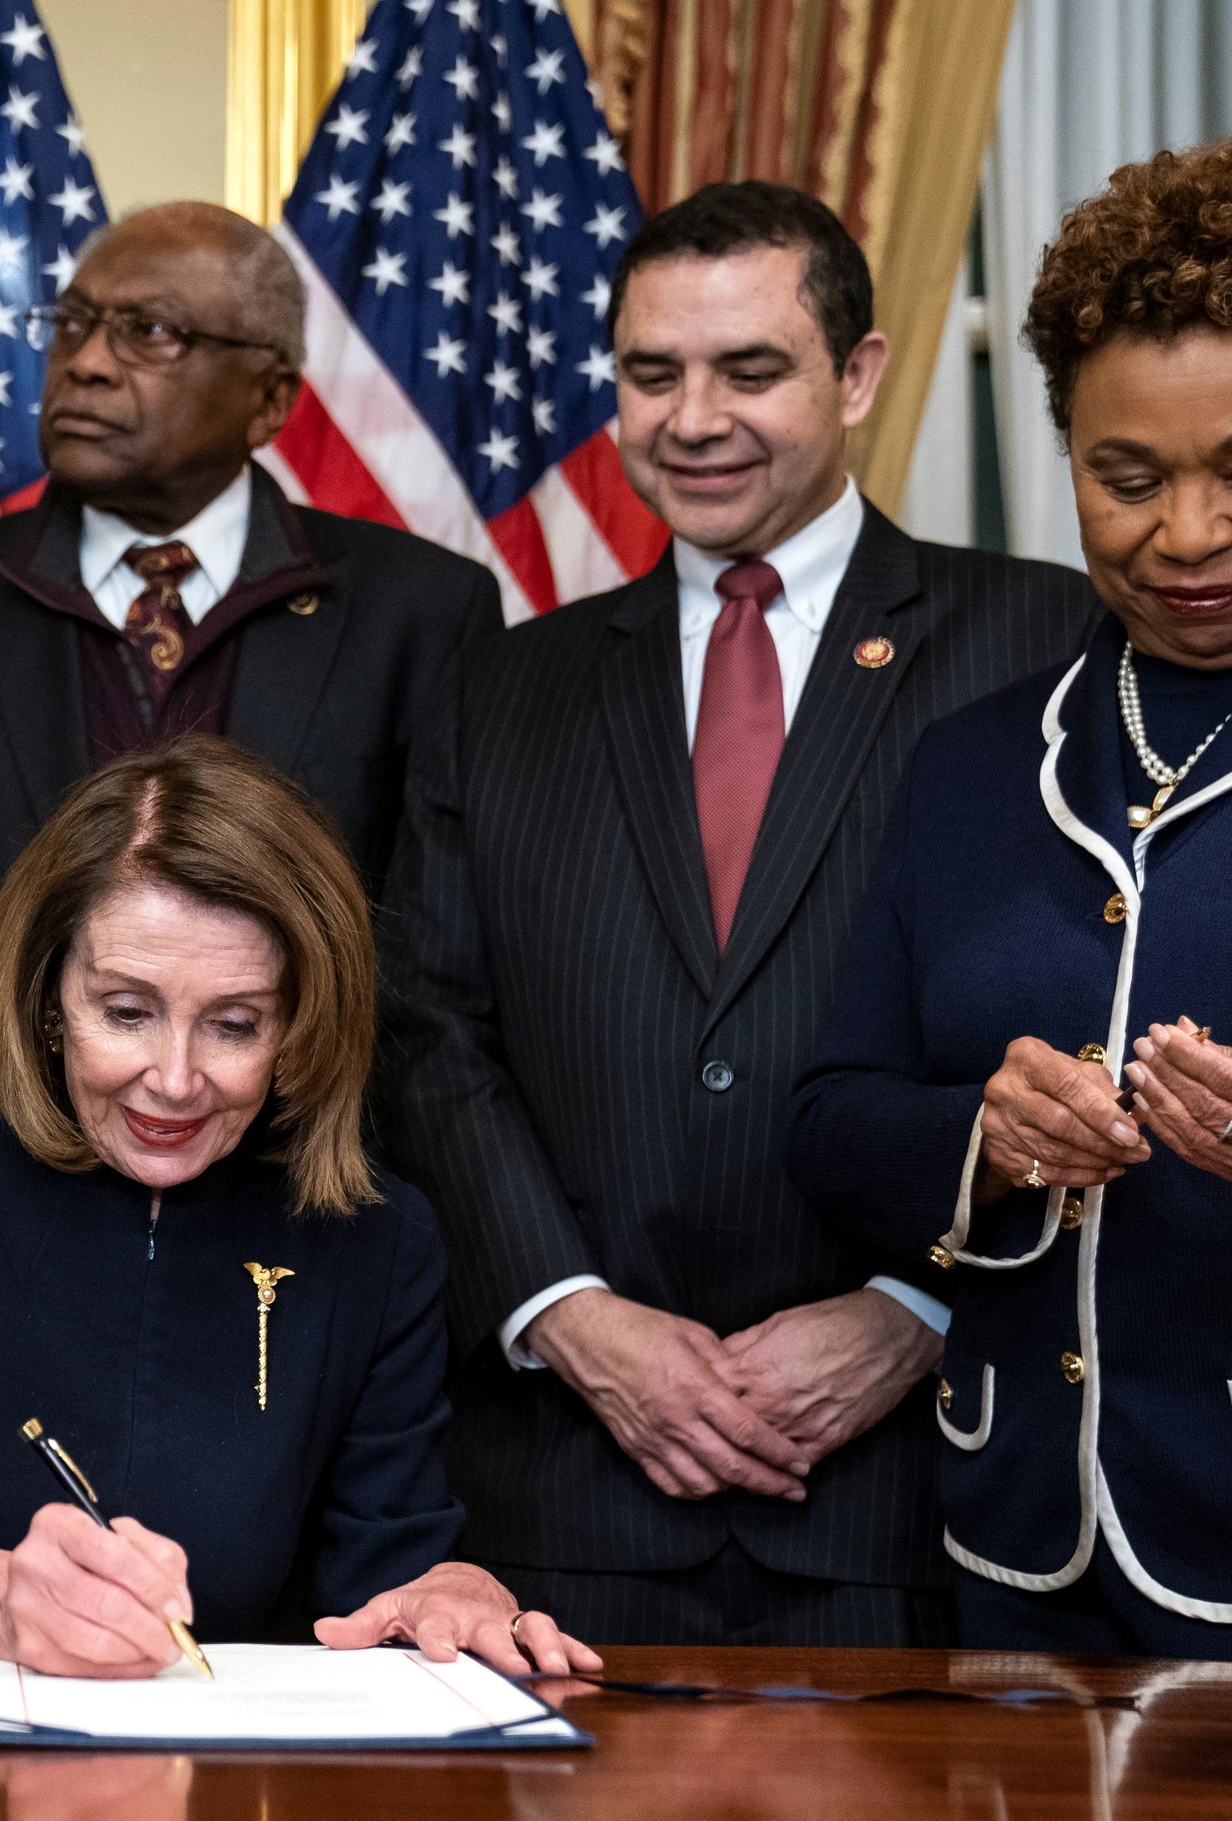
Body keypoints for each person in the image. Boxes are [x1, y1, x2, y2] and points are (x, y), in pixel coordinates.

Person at [378, 181, 1099, 1646]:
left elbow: (1102, 1022)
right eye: (651, 374)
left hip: (916, 1498)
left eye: (748, 370)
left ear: (855, 375)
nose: (689, 417)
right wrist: (569, 1315)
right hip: (560, 1508)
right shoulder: (504, 685)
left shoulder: (1045, 644)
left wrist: (918, 1304)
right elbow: (421, 1033)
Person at [0, 736, 599, 1678]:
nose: (174, 1081)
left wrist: (442, 1594)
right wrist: (1, 1599)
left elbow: (380, 1577)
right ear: (51, 991)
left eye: (233, 1024)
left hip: (219, 1786)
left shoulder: (375, 1240)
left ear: (298, 1023)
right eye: (126, 1011)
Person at [791, 143, 1232, 1659]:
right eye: (1126, 479)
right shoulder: (973, 763)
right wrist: (978, 1141)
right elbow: (831, 1116)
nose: (1182, 533)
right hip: (1010, 1563)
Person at [0, 200, 497, 1095]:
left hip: (296, 1204)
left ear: (269, 399)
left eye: (150, 333)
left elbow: (434, 984)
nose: (86, 364)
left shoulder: (421, 612)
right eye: (73, 325)